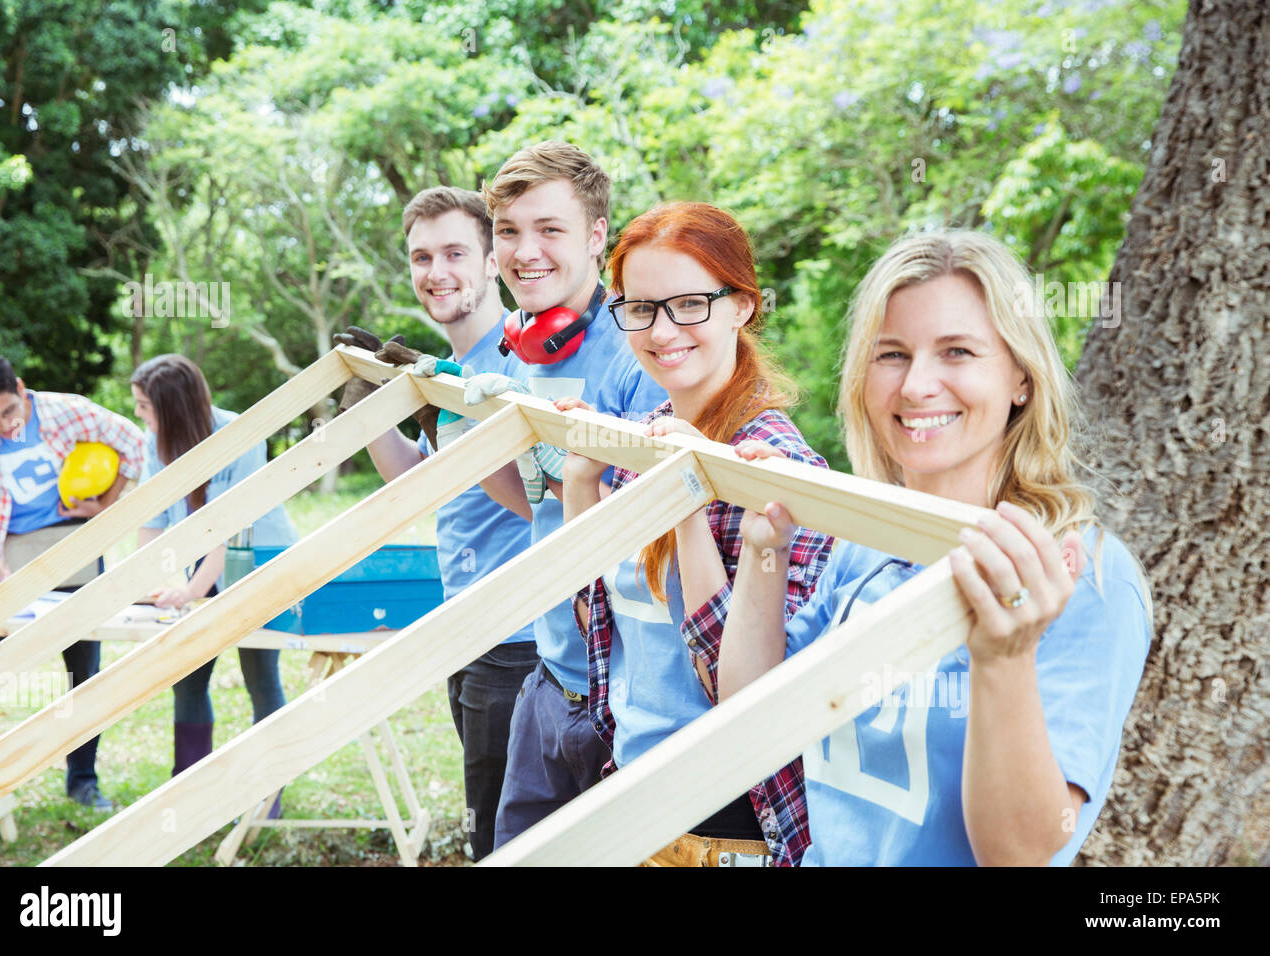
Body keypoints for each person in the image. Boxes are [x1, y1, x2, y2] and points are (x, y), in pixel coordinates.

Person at [719, 230, 1152, 866]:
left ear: (1022, 380)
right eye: (891, 354)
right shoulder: (865, 537)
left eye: (957, 352)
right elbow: (753, 724)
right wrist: (767, 552)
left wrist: (1003, 659)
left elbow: (1021, 853)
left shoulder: (1081, 575)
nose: (918, 385)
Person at [554, 202, 831, 867]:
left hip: (728, 827)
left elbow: (746, 697)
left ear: (741, 305)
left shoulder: (780, 473)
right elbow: (598, 625)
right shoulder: (643, 438)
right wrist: (580, 487)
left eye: (689, 304)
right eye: (641, 308)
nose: (662, 329)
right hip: (633, 797)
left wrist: (687, 506)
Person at [332, 186, 540, 861]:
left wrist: (449, 424)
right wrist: (369, 407)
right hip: (466, 626)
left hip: (521, 635)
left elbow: (546, 497)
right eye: (422, 256)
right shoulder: (447, 373)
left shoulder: (520, 360)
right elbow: (417, 484)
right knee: (493, 817)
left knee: (500, 837)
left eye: (455, 252)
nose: (436, 271)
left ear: (490, 262)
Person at [477, 142, 668, 850]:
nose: (524, 252)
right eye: (508, 231)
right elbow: (538, 504)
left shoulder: (641, 351)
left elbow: (656, 535)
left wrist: (567, 461)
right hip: (550, 672)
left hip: (622, 695)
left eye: (549, 230)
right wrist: (469, 435)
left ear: (596, 237)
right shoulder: (526, 348)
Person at [0, 353, 145, 810]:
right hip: (10, 552)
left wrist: (105, 506)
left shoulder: (68, 410)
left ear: (22, 390)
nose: (1, 423)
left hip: (76, 545)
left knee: (83, 669)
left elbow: (134, 442)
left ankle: (83, 780)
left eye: (8, 411)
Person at [131, 354, 297, 808]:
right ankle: (189, 789)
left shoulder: (240, 436)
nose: (139, 416)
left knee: (260, 676)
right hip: (201, 563)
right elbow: (152, 520)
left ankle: (268, 793)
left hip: (257, 562)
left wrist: (190, 591)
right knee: (187, 675)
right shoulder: (156, 441)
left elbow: (227, 528)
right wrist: (154, 582)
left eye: (144, 406)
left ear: (172, 407)